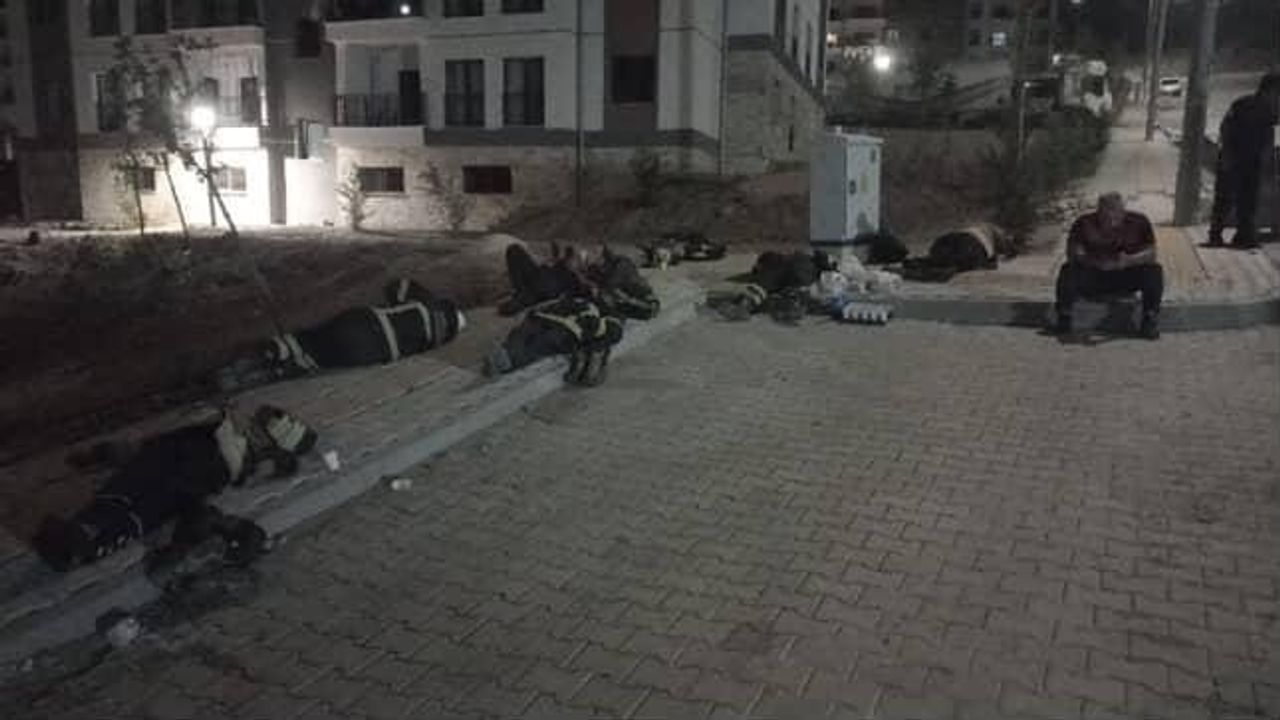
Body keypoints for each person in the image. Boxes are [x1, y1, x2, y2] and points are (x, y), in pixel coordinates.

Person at [1054, 193, 1164, 339]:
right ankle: (1064, 316)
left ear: (1123, 212)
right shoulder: (1084, 223)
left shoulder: (1139, 222)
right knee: (1068, 270)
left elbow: (1151, 253)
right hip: (1094, 274)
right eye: (1106, 217)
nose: (1111, 221)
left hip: (1125, 273)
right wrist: (1093, 261)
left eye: (1116, 216)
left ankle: (1149, 319)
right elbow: (1073, 253)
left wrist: (1129, 260)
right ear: (1098, 212)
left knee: (1154, 271)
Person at [1209, 72, 1280, 249]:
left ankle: (1240, 236)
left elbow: (1268, 135)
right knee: (1229, 199)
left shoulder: (1261, 107)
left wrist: (1266, 158)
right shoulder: (1246, 105)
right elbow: (1226, 127)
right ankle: (1222, 235)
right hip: (1236, 157)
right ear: (1270, 90)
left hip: (1247, 160)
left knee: (1243, 200)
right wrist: (1227, 153)